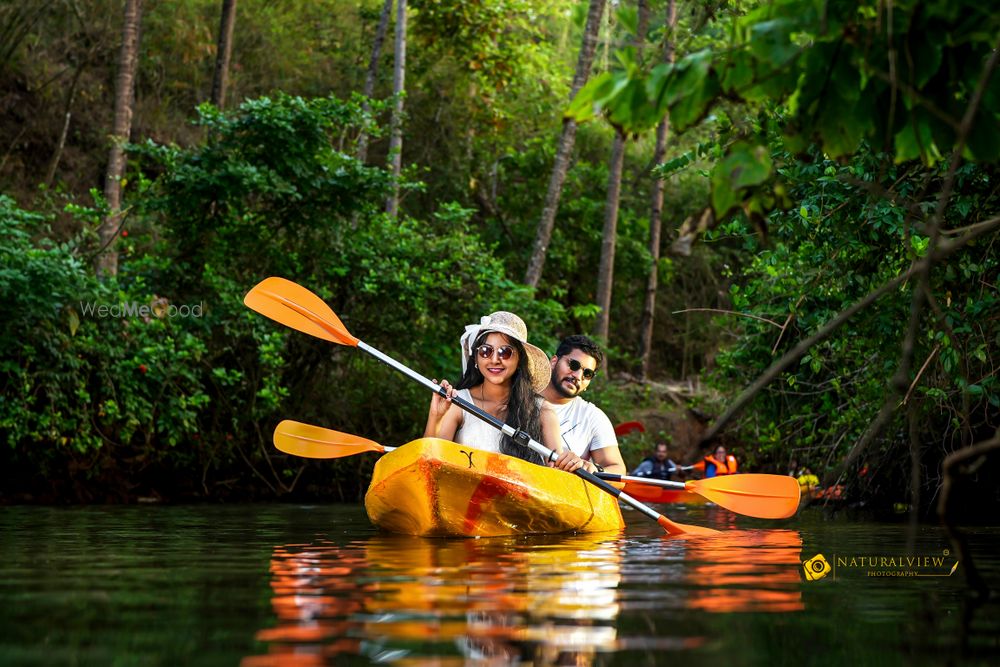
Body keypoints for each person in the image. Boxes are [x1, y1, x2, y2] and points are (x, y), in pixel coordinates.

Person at [425, 311, 565, 465]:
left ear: (520, 360)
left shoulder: (542, 410)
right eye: (486, 351)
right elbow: (429, 460)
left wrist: (575, 463)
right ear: (476, 359)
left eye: (505, 352)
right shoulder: (459, 403)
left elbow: (558, 471)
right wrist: (435, 416)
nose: (494, 360)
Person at [544, 335, 627, 475]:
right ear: (554, 361)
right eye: (573, 365)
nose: (577, 376)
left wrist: (593, 469)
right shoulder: (520, 396)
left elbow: (618, 470)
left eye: (587, 373)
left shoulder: (593, 417)